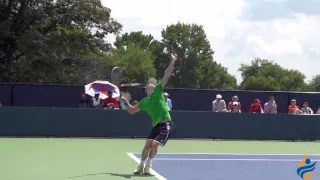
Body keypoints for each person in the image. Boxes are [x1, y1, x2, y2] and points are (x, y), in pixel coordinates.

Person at [120, 54, 177, 175]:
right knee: (147, 146)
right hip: (156, 125)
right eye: (149, 83)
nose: (151, 84)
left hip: (166, 123)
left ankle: (149, 164)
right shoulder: (144, 102)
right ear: (146, 88)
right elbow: (132, 111)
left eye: (153, 83)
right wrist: (125, 101)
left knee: (154, 144)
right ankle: (141, 165)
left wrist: (172, 61)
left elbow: (166, 75)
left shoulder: (158, 91)